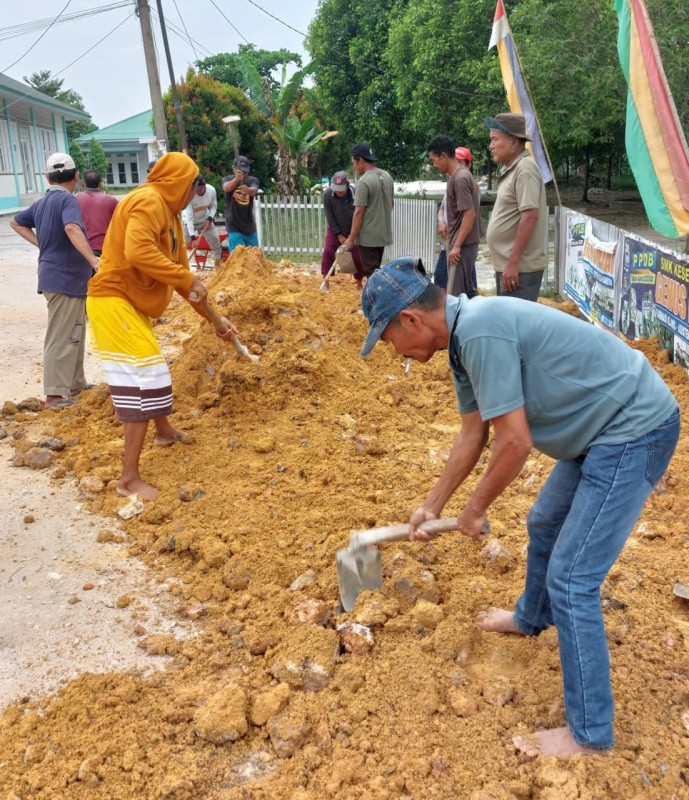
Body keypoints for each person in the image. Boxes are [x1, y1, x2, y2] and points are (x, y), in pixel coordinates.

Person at [360, 257, 679, 759]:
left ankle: (590, 735)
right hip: (598, 430)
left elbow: (514, 443)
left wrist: (473, 510)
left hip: (632, 428)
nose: (393, 350)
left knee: (573, 578)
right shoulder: (464, 342)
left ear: (411, 321)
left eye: (388, 340)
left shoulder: (481, 332)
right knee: (544, 520)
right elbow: (473, 433)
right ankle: (532, 617)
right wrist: (432, 505)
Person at [86, 152, 239, 501]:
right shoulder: (147, 200)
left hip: (131, 306)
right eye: (192, 185)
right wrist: (186, 277)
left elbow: (184, 284)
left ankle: (165, 431)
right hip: (113, 300)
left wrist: (215, 321)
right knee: (147, 380)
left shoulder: (169, 217)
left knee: (151, 373)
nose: (194, 192)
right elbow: (138, 251)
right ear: (177, 183)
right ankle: (128, 479)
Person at [10, 152, 100, 409]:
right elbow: (71, 228)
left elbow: (16, 223)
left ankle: (75, 383)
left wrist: (44, 245)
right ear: (76, 177)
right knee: (61, 335)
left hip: (59, 277)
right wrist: (94, 261)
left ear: (48, 177)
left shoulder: (42, 202)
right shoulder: (67, 201)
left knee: (74, 332)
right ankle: (54, 394)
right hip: (65, 277)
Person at [485, 113, 547, 301]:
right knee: (508, 326)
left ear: (513, 140)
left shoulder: (525, 169)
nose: (491, 146)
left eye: (495, 139)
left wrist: (513, 263)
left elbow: (529, 216)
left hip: (520, 269)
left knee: (516, 328)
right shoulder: (513, 169)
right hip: (509, 266)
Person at [427, 137, 481, 297]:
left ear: (444, 156)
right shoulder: (457, 177)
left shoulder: (460, 179)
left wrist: (456, 246)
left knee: (456, 296)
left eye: (434, 160)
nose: (434, 165)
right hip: (460, 244)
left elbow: (469, 214)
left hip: (462, 246)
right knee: (467, 292)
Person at [343, 143, 394, 278]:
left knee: (372, 274)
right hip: (383, 234)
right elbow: (391, 204)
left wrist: (351, 239)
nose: (354, 166)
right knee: (376, 269)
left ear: (361, 160)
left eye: (354, 163)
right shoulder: (387, 176)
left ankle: (377, 298)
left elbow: (359, 212)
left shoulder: (364, 182)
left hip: (368, 237)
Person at [320, 171, 364, 291]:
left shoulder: (356, 193)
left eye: (341, 189)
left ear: (347, 185)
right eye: (336, 188)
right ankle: (326, 282)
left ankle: (359, 283)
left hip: (353, 229)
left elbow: (360, 213)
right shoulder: (328, 194)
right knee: (328, 251)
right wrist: (339, 235)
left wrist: (352, 236)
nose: (338, 192)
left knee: (357, 256)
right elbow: (330, 216)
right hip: (335, 229)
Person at [75, 171, 118, 256]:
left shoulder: (76, 199)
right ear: (100, 184)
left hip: (85, 247)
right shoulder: (111, 200)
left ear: (84, 184)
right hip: (107, 247)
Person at [222, 155, 260, 252]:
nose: (243, 174)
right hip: (233, 225)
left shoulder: (252, 180)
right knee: (237, 255)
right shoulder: (227, 179)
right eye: (241, 171)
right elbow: (226, 188)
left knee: (255, 254)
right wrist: (236, 180)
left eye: (245, 171)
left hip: (249, 225)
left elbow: (254, 190)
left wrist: (248, 190)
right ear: (234, 170)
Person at [183, 176, 222, 269]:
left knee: (216, 243)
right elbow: (189, 219)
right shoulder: (190, 195)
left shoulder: (211, 191)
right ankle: (180, 268)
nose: (197, 191)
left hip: (205, 219)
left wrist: (209, 219)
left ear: (205, 185)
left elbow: (213, 206)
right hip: (188, 222)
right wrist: (193, 239)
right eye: (196, 189)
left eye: (200, 189)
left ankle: (219, 269)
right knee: (181, 245)